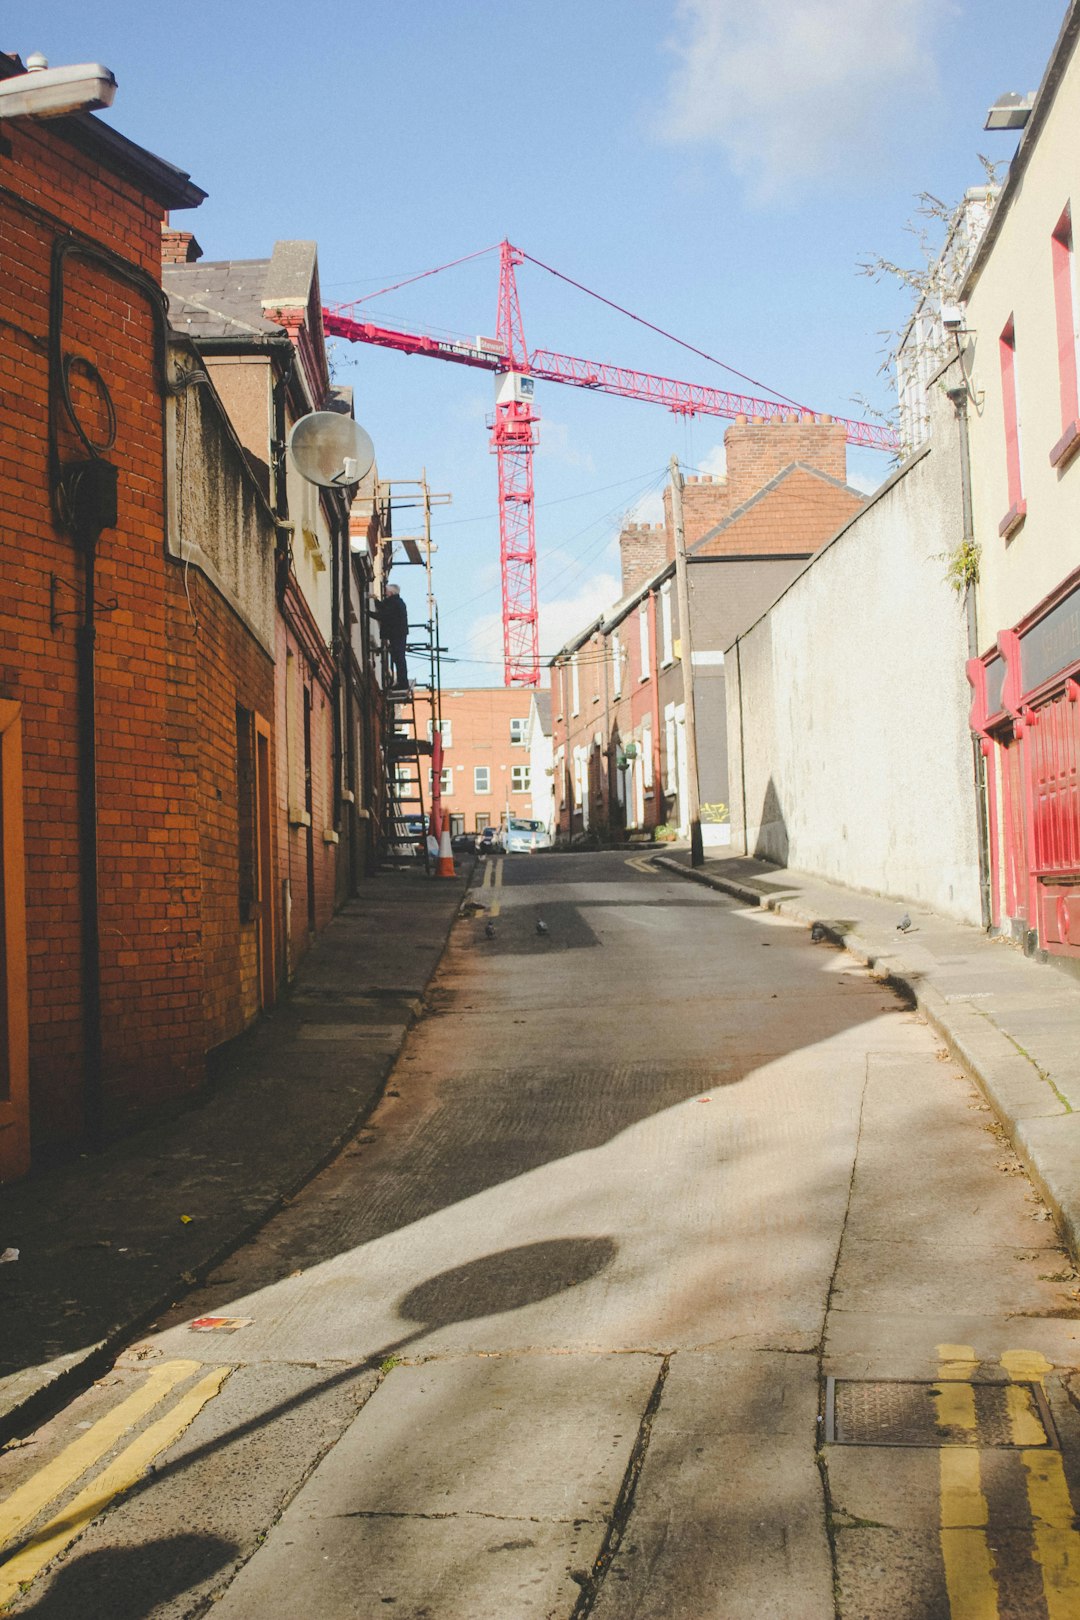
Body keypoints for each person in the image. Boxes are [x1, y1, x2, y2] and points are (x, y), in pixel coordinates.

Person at [374, 583, 410, 690]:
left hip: (397, 634)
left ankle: (402, 683)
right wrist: (375, 600)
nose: (385, 592)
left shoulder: (394, 602)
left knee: (399, 657)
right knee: (397, 657)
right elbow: (383, 607)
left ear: (391, 592)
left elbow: (384, 614)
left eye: (386, 590)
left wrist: (369, 613)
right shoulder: (395, 602)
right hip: (397, 633)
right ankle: (401, 682)